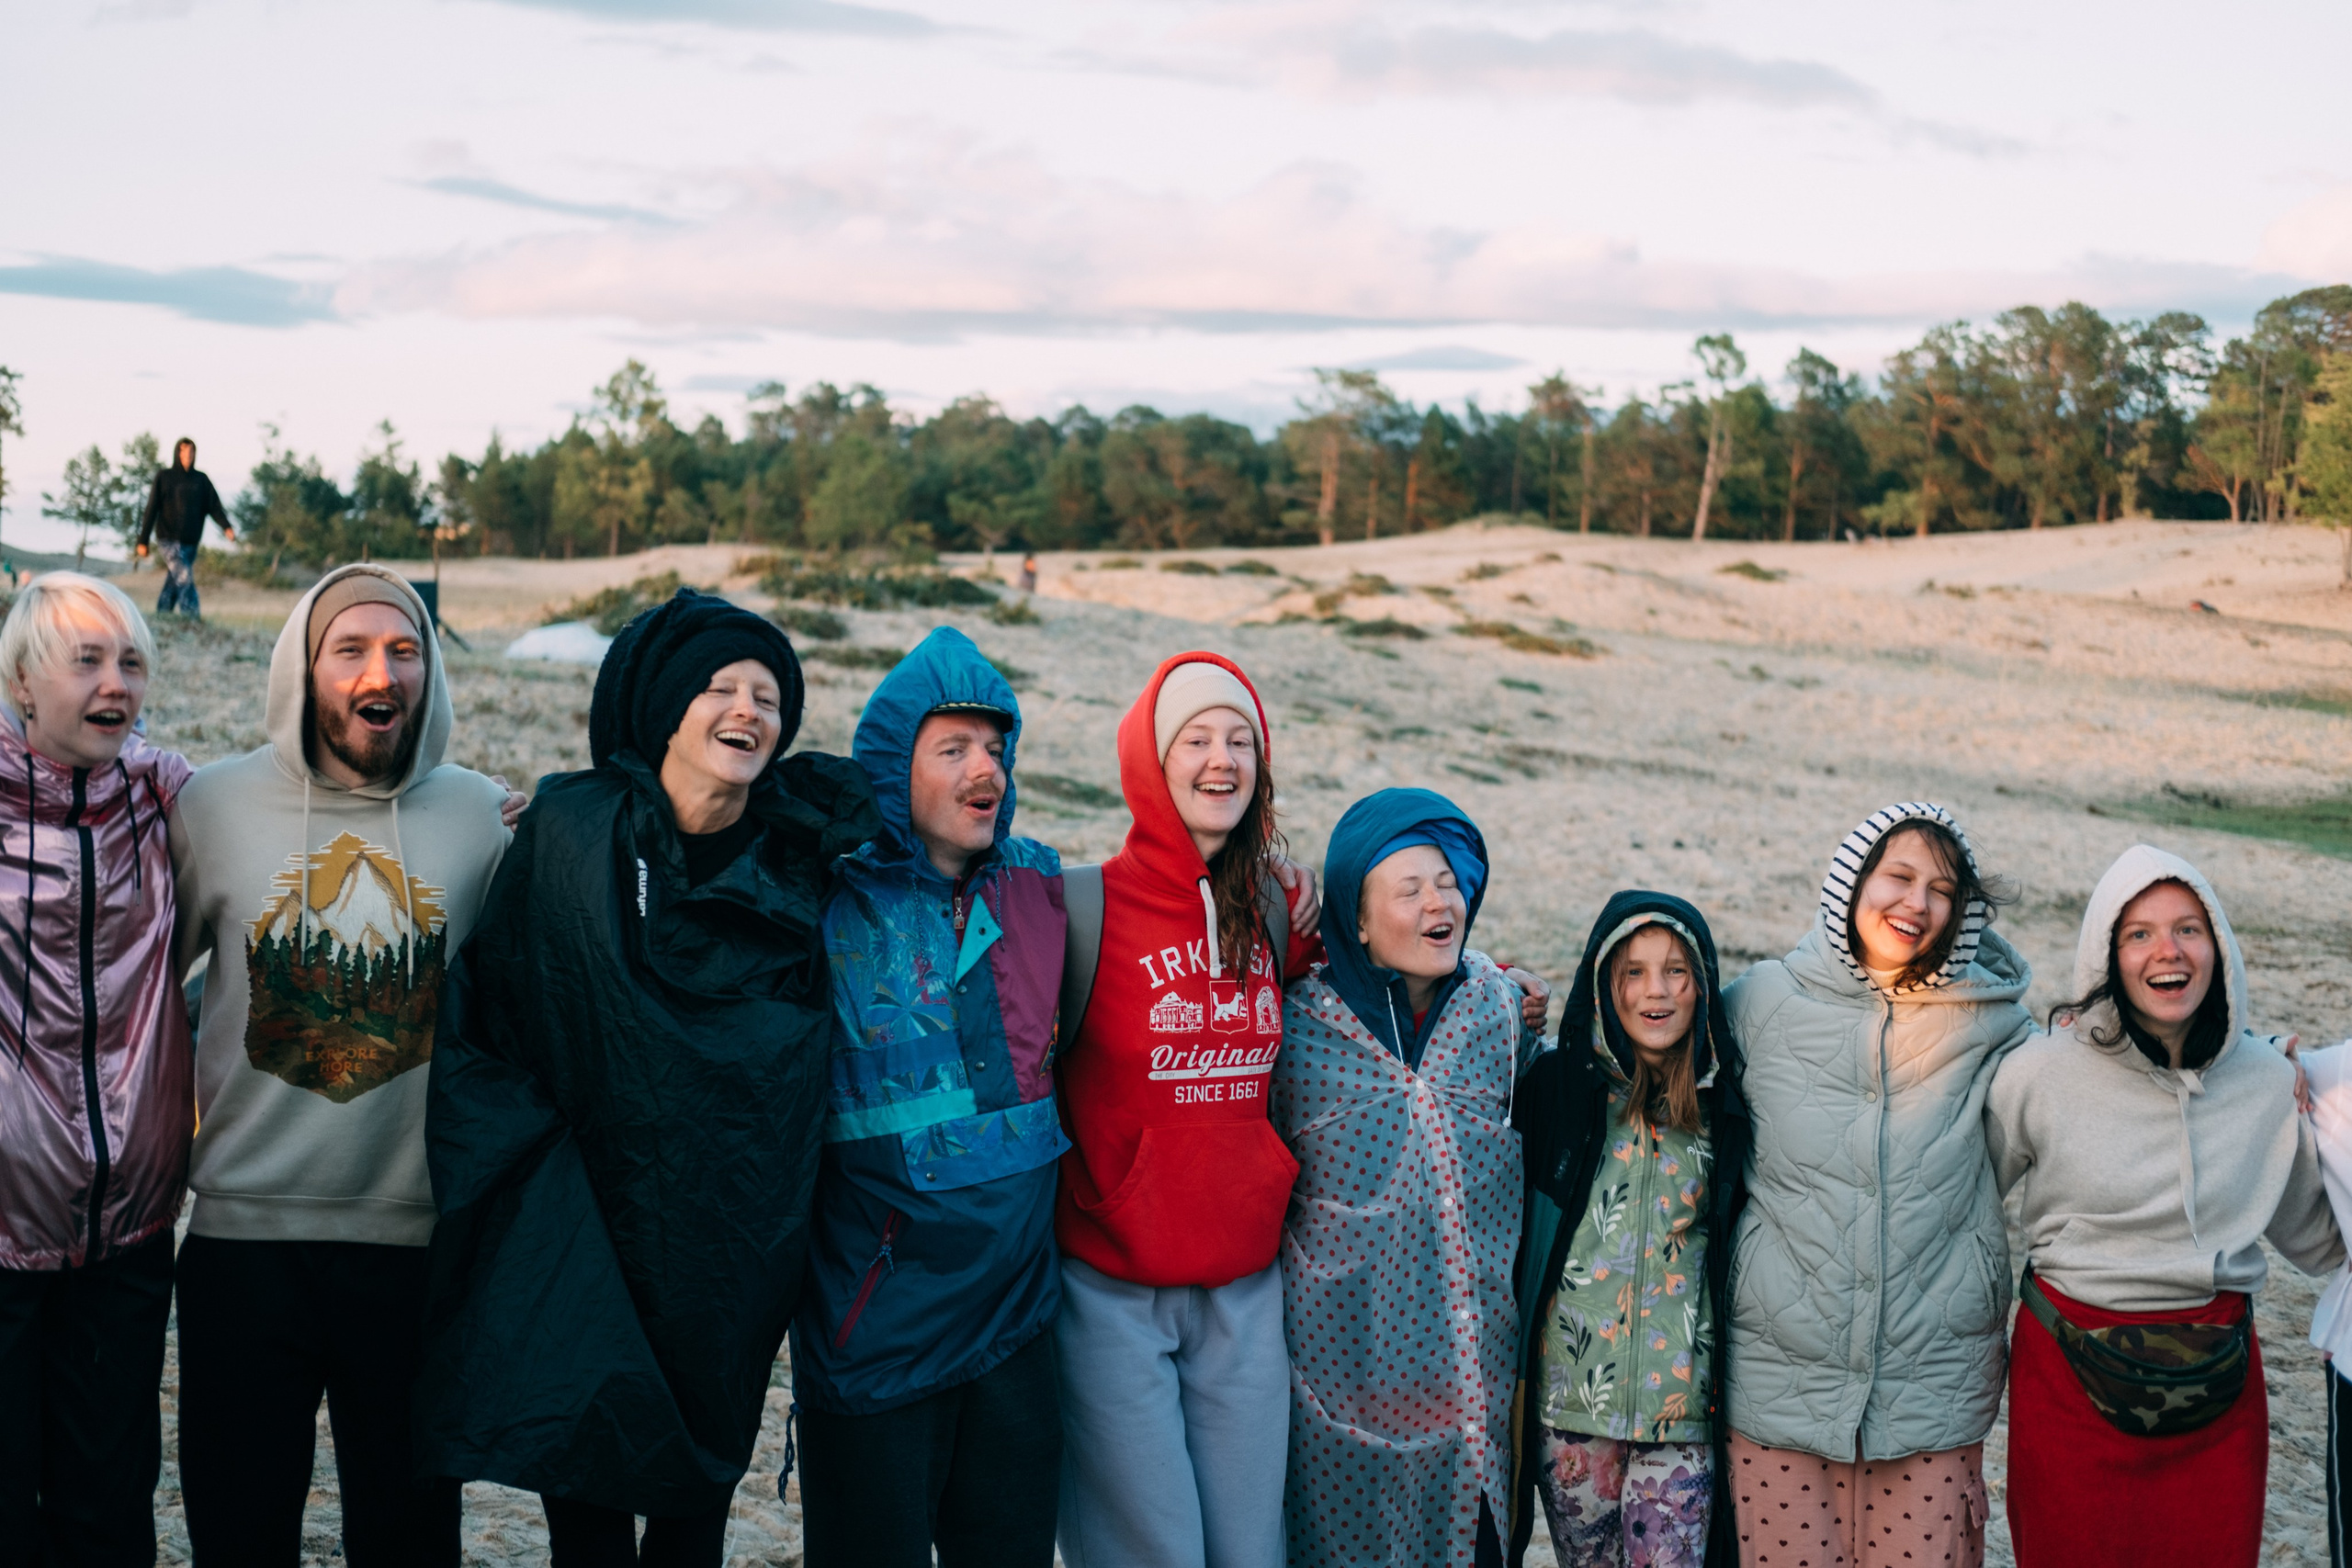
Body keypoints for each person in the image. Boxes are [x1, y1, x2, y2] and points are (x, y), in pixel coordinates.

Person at [416, 588, 879, 1567]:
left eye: (768, 693)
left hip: (726, 1240)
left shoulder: (800, 860)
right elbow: (500, 1012)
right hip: (578, 1223)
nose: (748, 709)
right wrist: (533, 1181)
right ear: (666, 703)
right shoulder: (572, 833)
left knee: (691, 1509)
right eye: (720, 687)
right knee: (583, 1493)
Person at [168, 565, 514, 1565]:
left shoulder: (485, 821)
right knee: (240, 1532)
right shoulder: (212, 807)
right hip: (242, 1243)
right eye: (351, 649)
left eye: (404, 650)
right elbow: (138, 988)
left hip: (412, 1250)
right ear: (303, 669)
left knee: (408, 1540)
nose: (383, 670)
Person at [792, 626, 1068, 1567]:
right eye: (952, 749)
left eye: (995, 748)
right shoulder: (823, 895)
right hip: (877, 1328)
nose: (983, 768)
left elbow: (1173, 942)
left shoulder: (1042, 885)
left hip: (1018, 1324)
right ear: (891, 767)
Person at [1990, 845, 2341, 1567]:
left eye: (2189, 928)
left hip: (2218, 1397)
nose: (2167, 950)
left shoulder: (2269, 1082)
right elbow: (1962, 1205)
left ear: (2219, 947)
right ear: (2106, 955)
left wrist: (2304, 1086)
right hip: (2067, 1381)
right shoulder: (2038, 1073)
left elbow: (2323, 1245)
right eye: (2139, 933)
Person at [1050, 652, 1317, 1568]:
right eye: (1195, 739)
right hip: (1110, 1291)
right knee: (1146, 1550)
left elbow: (1381, 968)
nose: (1221, 760)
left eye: (1240, 741)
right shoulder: (1081, 908)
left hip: (1245, 1285)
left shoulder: (1279, 910)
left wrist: (1498, 983)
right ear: (1149, 763)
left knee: (1251, 1549)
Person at [1723, 803, 2029, 1568]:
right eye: (1898, 876)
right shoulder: (1759, 1003)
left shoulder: (1997, 1025)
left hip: (1934, 1396)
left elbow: (2100, 1074)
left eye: (1943, 889)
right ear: (1849, 884)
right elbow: (1640, 1057)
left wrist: (2250, 1052)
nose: (1917, 903)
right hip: (1777, 1389)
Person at [1272, 787, 1531, 1566]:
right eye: (1409, 888)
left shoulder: (1498, 1011)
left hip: (1472, 1391)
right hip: (1337, 1387)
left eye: (1448, 882)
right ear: (1355, 917)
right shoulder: (1297, 1029)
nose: (1437, 901)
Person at [0, 574, 189, 1565]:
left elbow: (298, 814)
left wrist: (472, 812)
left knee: (109, 1504)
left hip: (129, 1230)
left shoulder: (162, 798)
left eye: (131, 662)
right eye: (87, 660)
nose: (117, 682)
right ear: (23, 682)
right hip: (0, 1230)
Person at [1509, 891, 1749, 1568]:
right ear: (1603, 985)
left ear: (1701, 985)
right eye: (1634, 972)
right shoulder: (1559, 1089)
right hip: (1571, 1410)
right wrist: (1510, 984)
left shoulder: (1722, 1109)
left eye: (1676, 970)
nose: (1656, 990)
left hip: (1682, 1416)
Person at [135, 437, 234, 618]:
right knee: (184, 578)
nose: (188, 455)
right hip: (168, 539)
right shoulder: (164, 477)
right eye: (184, 451)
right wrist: (143, 541)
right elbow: (151, 509)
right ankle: (193, 620)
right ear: (177, 453)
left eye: (191, 452)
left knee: (174, 582)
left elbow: (214, 506)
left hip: (191, 542)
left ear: (195, 454)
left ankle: (161, 617)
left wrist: (226, 527)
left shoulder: (201, 480)